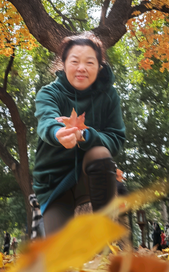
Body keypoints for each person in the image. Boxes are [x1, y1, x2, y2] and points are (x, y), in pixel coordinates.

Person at [32, 33, 126, 235]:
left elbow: (116, 137)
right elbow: (46, 121)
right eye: (74, 61)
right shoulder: (49, 93)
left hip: (91, 175)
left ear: (99, 66)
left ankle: (103, 232)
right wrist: (58, 134)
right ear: (63, 64)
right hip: (54, 182)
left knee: (100, 154)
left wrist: (86, 136)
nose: (81, 68)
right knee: (62, 257)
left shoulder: (109, 95)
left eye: (89, 62)